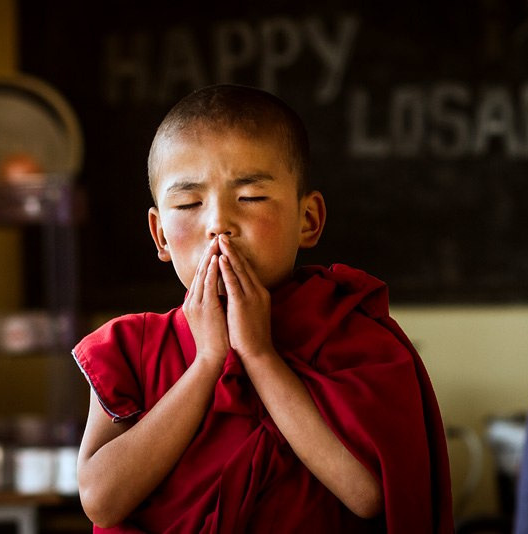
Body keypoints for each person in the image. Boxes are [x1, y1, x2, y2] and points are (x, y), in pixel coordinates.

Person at [72, 84, 453, 533]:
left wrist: (259, 355)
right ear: (159, 235)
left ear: (307, 219)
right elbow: (101, 500)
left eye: (251, 198)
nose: (218, 224)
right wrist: (207, 365)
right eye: (189, 203)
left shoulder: (348, 330)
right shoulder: (129, 347)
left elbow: (367, 493)